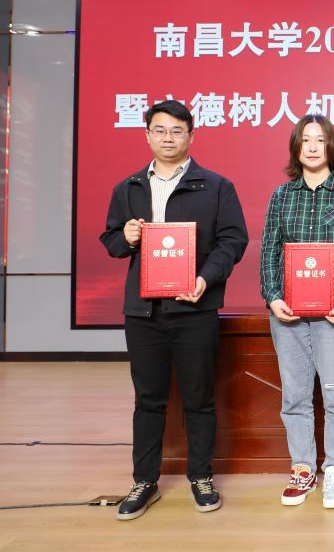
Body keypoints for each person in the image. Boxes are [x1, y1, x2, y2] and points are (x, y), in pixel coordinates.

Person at [100, 100, 249, 520]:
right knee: (148, 399)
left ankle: (201, 476)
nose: (168, 138)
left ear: (191, 136)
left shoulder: (216, 186)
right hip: (143, 313)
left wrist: (205, 278)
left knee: (199, 398)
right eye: (160, 130)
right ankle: (144, 481)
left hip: (195, 309)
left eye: (177, 131)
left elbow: (233, 240)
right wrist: (127, 237)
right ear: (147, 135)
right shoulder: (128, 187)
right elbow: (111, 241)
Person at [260, 114, 334, 509]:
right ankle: (303, 468)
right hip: (288, 315)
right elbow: (269, 251)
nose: (312, 146)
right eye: (305, 139)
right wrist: (273, 296)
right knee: (294, 396)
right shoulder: (281, 196)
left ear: (331, 147)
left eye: (320, 140)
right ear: (296, 147)